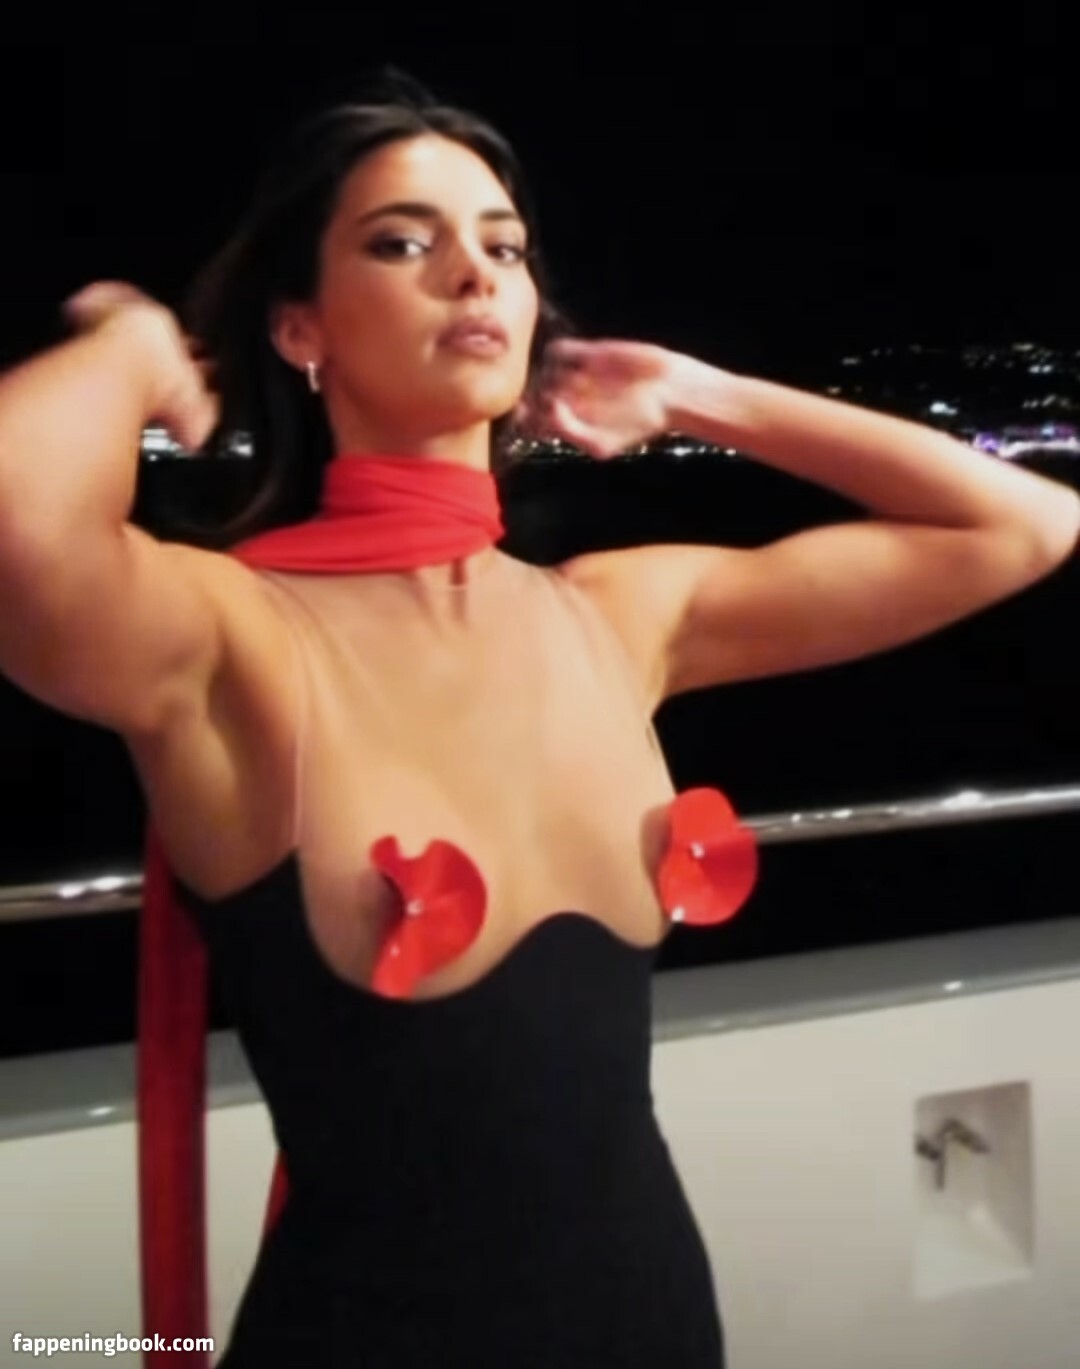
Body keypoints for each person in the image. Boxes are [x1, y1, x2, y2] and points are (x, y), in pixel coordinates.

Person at [1, 77, 1077, 1369]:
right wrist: (131, 350)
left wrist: (694, 392)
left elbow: (1023, 525)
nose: (473, 272)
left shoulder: (616, 617)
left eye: (503, 247)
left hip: (658, 1329)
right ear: (301, 328)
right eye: (403, 241)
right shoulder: (235, 640)